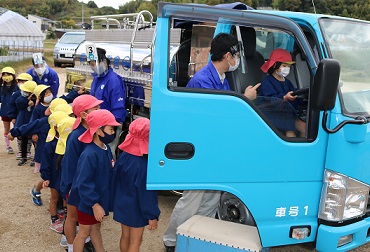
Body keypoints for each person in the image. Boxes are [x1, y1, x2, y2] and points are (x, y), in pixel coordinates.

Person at [163, 33, 260, 252]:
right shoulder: (203, 80)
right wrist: (245, 100)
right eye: (235, 54)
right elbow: (216, 118)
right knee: (192, 199)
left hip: (214, 151)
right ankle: (172, 240)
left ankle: (195, 236)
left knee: (210, 199)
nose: (237, 59)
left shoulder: (222, 78)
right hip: (201, 151)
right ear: (227, 55)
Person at [70, 109, 120, 252]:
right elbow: (83, 182)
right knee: (83, 232)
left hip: (98, 199)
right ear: (98, 131)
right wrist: (94, 203)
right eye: (111, 129)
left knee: (95, 228)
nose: (113, 132)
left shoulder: (105, 149)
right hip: (88, 202)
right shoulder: (89, 154)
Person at [60, 94, 102, 252]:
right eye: (95, 108)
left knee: (86, 216)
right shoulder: (76, 136)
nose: (99, 110)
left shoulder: (93, 130)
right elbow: (69, 164)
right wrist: (70, 186)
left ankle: (86, 241)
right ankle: (71, 246)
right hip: (74, 184)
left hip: (86, 183)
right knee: (72, 216)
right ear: (84, 115)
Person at [111, 118, 160, 252]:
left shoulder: (123, 156)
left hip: (122, 203)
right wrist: (152, 215)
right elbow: (146, 194)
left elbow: (114, 179)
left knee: (125, 236)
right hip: (136, 207)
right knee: (136, 241)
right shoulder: (143, 165)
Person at [88, 47, 126, 159]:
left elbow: (118, 108)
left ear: (103, 62)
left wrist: (110, 127)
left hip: (108, 125)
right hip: (98, 125)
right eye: (91, 64)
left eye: (95, 63)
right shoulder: (96, 78)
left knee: (108, 154)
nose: (93, 66)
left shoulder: (113, 80)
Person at [259, 48, 306, 137]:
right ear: (275, 65)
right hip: (273, 115)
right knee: (290, 130)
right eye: (284, 66)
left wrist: (302, 98)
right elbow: (269, 100)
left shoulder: (287, 82)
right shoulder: (267, 82)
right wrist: (284, 98)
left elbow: (294, 94)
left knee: (304, 127)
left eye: (288, 66)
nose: (287, 69)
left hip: (288, 114)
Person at [7, 73, 32, 158]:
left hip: (29, 118)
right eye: (20, 81)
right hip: (19, 118)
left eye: (25, 81)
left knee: (29, 135)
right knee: (19, 134)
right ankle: (21, 151)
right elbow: (11, 105)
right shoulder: (16, 94)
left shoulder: (33, 95)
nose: (22, 83)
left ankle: (27, 151)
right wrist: (12, 117)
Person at [15, 80, 37, 166]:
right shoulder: (22, 98)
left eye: (26, 91)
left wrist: (34, 101)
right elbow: (18, 104)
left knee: (35, 141)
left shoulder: (37, 99)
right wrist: (27, 101)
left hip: (32, 122)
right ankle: (23, 157)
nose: (24, 92)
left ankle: (36, 158)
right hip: (23, 122)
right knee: (23, 139)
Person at [0, 67, 18, 154]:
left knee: (17, 128)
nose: (6, 77)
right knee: (6, 129)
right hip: (5, 111)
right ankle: (8, 146)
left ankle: (21, 147)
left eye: (8, 75)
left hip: (15, 112)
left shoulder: (17, 87)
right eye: (4, 75)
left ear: (13, 76)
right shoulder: (2, 88)